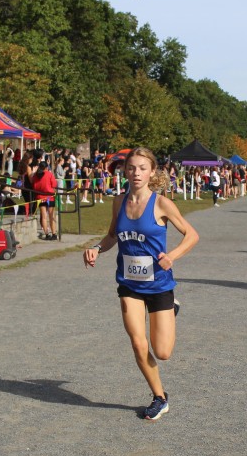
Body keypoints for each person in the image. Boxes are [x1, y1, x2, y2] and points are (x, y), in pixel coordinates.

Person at [83, 147, 199, 421]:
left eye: (142, 168)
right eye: (132, 168)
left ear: (151, 172)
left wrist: (171, 256)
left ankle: (171, 308)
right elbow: (112, 236)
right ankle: (159, 398)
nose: (136, 173)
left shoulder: (162, 204)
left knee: (163, 352)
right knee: (138, 343)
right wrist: (96, 248)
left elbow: (192, 235)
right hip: (129, 283)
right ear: (125, 170)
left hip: (159, 284)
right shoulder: (118, 202)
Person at [31, 160, 58, 240]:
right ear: (46, 167)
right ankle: (54, 233)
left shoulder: (36, 175)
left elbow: (34, 186)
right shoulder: (49, 174)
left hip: (40, 197)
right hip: (50, 197)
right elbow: (54, 184)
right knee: (51, 216)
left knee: (44, 216)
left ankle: (46, 234)